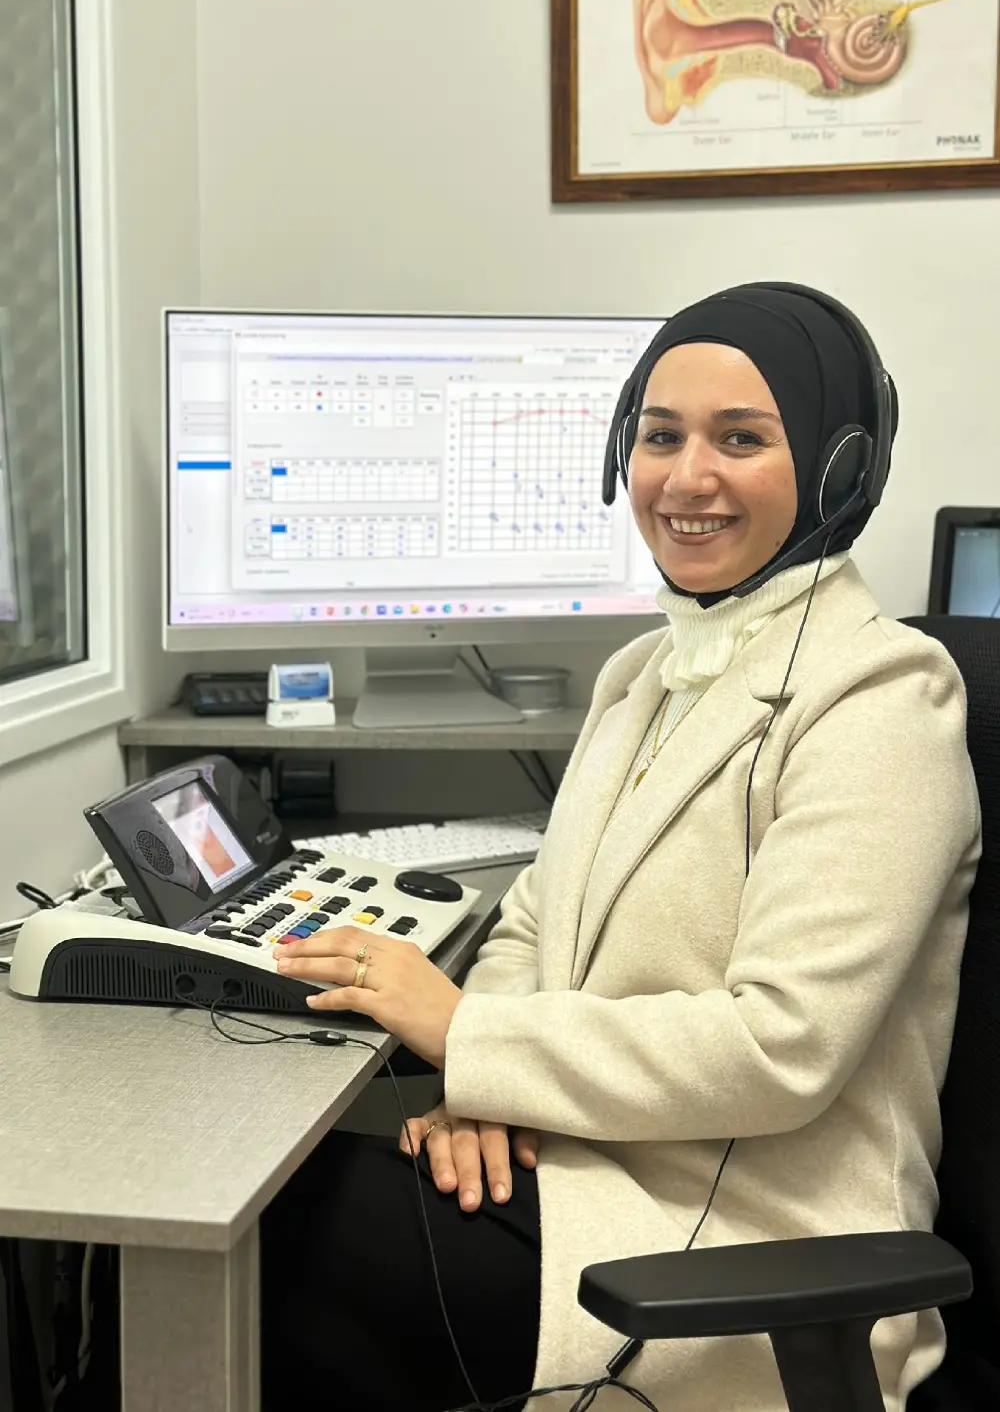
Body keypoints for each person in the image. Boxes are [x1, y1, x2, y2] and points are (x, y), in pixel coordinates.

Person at [259, 284, 980, 1412]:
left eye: (740, 438)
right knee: (267, 1207)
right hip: (583, 1168)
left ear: (840, 470)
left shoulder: (884, 698)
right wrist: (484, 1088)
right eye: (659, 435)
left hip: (745, 1257)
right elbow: (533, 921)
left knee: (277, 1247)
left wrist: (465, 1033)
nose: (685, 478)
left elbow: (780, 1045)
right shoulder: (641, 674)